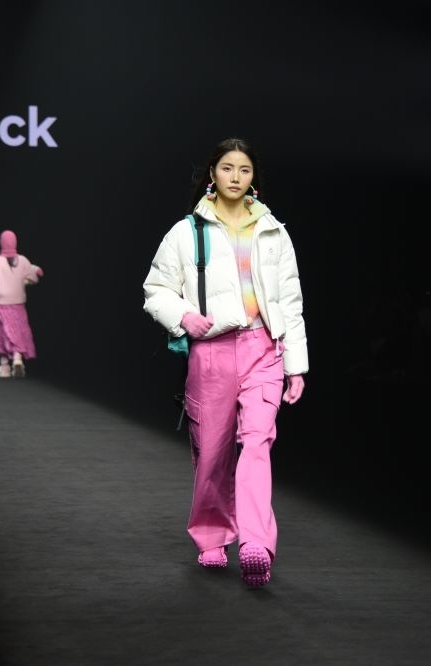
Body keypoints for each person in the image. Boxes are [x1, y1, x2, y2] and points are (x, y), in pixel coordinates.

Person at [142, 137, 308, 588]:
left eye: (245, 169)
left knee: (257, 443)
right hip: (211, 349)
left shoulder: (273, 231)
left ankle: (256, 543)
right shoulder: (187, 231)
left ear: (254, 178)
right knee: (212, 451)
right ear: (212, 174)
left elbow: (290, 300)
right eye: (228, 168)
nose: (236, 177)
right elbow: (155, 289)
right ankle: (212, 538)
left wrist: (296, 364)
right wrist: (184, 317)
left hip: (263, 348)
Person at [0, 229, 43, 378]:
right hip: (18, 305)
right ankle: (17, 359)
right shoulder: (22, 260)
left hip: (1, 306)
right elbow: (32, 275)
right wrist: (37, 271)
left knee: (3, 333)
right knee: (17, 332)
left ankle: (4, 367)